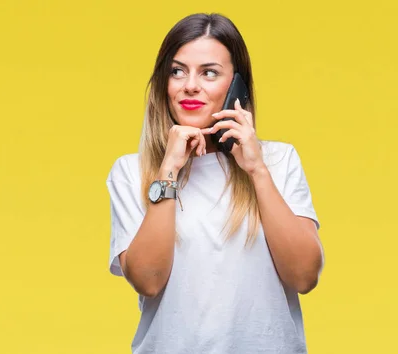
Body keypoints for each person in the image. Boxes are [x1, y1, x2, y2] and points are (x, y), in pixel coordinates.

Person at [105, 13, 324, 354]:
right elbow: (148, 280)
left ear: (237, 85)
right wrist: (169, 170)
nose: (190, 85)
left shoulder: (279, 161)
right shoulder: (133, 172)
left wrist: (256, 170)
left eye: (209, 73)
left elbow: (304, 276)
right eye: (178, 71)